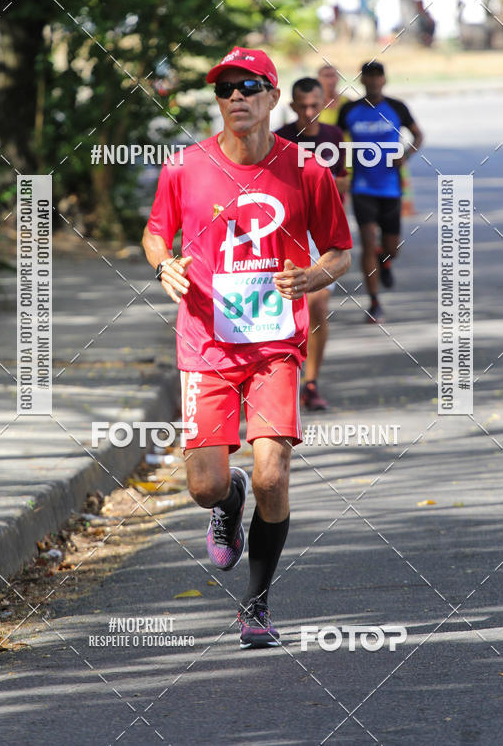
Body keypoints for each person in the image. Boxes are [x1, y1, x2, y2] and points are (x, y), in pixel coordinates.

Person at [143, 47, 352, 648]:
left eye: (249, 86)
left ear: (271, 96)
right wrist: (167, 266)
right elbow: (157, 233)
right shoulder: (185, 166)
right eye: (225, 88)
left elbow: (339, 248)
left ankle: (256, 606)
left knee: (272, 473)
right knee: (205, 486)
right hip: (206, 344)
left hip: (275, 347)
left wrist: (315, 276)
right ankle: (225, 497)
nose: (236, 96)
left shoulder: (307, 171)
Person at [275, 78, 349, 411]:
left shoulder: (334, 137)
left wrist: (325, 183)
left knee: (317, 304)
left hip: (319, 233)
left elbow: (346, 178)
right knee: (285, 304)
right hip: (288, 229)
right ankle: (277, 376)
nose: (309, 112)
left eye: (314, 106)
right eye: (302, 106)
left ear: (325, 104)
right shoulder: (280, 139)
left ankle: (311, 382)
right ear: (292, 107)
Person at [338, 60, 423, 323]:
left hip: (390, 187)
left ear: (384, 80)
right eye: (369, 77)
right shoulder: (350, 110)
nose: (374, 81)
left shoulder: (396, 108)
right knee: (366, 241)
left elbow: (418, 135)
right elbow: (336, 140)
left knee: (391, 248)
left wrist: (405, 156)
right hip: (362, 187)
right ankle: (374, 302)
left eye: (378, 77)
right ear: (362, 80)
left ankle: (385, 261)